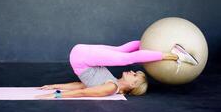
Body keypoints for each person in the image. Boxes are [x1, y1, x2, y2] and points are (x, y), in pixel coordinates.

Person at [35, 40, 198, 99]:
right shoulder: (111, 80)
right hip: (81, 54)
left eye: (135, 76)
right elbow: (83, 85)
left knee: (126, 58)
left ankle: (176, 56)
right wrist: (54, 85)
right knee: (121, 51)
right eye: (136, 73)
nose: (133, 72)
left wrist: (56, 95)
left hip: (81, 58)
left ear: (133, 86)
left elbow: (83, 92)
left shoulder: (112, 88)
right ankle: (153, 43)